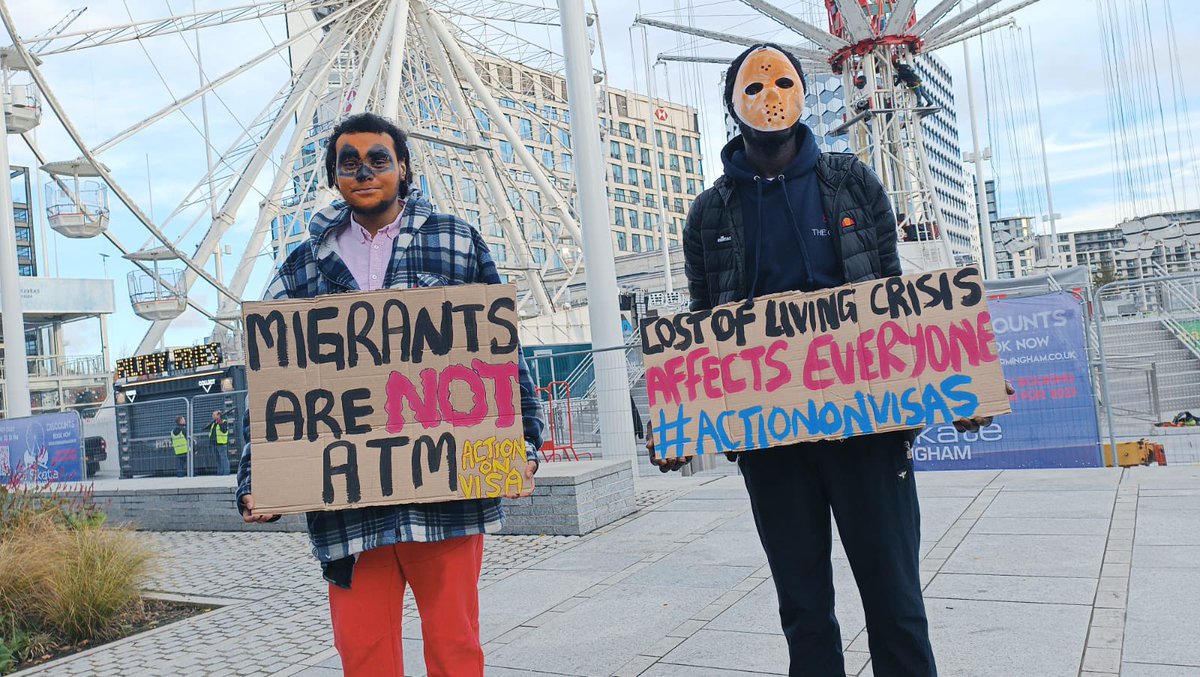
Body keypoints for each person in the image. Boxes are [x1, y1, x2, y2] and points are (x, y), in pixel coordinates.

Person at [656, 43, 1006, 677]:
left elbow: (896, 301)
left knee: (896, 605)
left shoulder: (852, 182)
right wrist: (682, 422)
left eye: (783, 81)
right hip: (772, 442)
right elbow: (706, 328)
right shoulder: (709, 214)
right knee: (804, 613)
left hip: (869, 433)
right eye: (754, 87)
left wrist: (955, 387)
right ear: (732, 105)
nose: (771, 96)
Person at [236, 112, 544, 677]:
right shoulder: (301, 269)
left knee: (457, 650)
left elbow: (502, 355)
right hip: (347, 503)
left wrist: (524, 445)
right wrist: (258, 477)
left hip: (446, 495)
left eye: (378, 159)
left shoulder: (456, 241)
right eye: (347, 162)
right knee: (365, 655)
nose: (364, 171)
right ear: (333, 177)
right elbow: (272, 380)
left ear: (403, 167)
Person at [208, 410, 230, 476]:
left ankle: (226, 472)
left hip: (221, 443)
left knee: (224, 458)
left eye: (214, 415)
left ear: (218, 415)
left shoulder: (224, 422)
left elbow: (224, 430)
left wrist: (220, 422)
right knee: (217, 459)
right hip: (214, 443)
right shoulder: (213, 423)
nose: (213, 416)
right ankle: (220, 472)